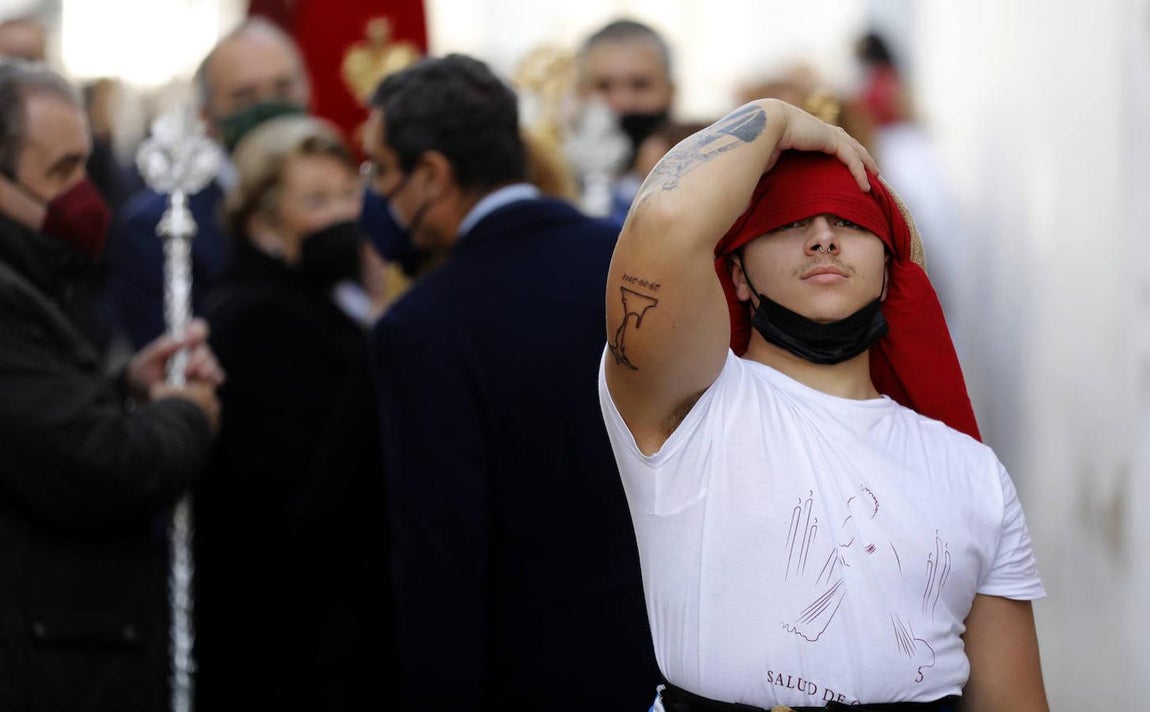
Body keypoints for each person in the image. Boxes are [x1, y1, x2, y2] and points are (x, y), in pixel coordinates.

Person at [599, 98, 1048, 711]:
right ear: (734, 277)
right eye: (787, 223)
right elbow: (666, 217)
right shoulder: (690, 407)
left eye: (851, 222)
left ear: (889, 272)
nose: (822, 239)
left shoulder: (974, 473)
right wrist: (776, 117)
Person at [365, 53, 660, 710]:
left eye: (381, 171)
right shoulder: (626, 261)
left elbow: (442, 560)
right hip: (666, 656)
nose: (376, 194)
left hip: (523, 675)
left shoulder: (423, 324)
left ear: (433, 174)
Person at [0, 59, 222, 711]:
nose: (84, 196)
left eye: (84, 166)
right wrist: (186, 415)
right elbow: (95, 463)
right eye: (60, 172)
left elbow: (39, 414)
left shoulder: (34, 278)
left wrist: (126, 390)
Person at [194, 114, 395, 711]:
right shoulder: (257, 321)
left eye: (348, 195)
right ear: (262, 223)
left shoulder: (323, 303)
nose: (342, 215)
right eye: (316, 200)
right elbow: (310, 499)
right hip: (285, 634)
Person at [105, 17, 311, 349]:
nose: (269, 106)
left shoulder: (347, 199)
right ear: (207, 118)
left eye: (283, 88)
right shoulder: (158, 228)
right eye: (245, 96)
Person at [574, 18, 675, 224]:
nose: (622, 102)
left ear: (670, 91)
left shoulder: (704, 176)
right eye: (604, 86)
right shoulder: (554, 182)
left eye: (640, 85)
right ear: (581, 93)